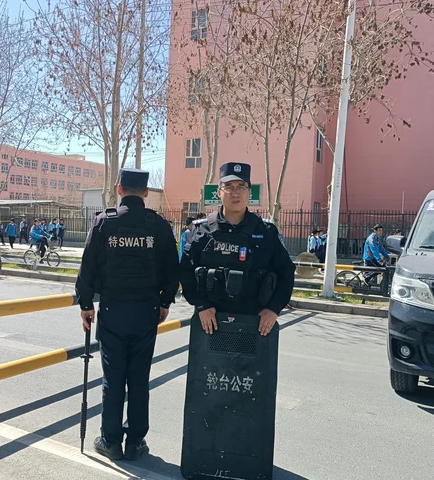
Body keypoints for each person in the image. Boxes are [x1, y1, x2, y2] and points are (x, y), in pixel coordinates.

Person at [75, 168, 180, 462]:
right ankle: (135, 442)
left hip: (112, 310)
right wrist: (165, 302)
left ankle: (110, 441)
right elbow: (173, 270)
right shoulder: (158, 225)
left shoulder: (104, 223)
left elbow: (87, 266)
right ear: (146, 193)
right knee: (138, 379)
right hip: (146, 311)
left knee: (113, 378)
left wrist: (86, 304)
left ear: (119, 189)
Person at [179, 162, 296, 336]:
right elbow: (185, 271)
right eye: (228, 187)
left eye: (241, 187)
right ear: (218, 192)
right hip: (210, 322)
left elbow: (286, 272)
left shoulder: (266, 232)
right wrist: (202, 305)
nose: (235, 192)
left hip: (255, 323)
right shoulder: (201, 231)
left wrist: (274, 308)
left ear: (249, 192)